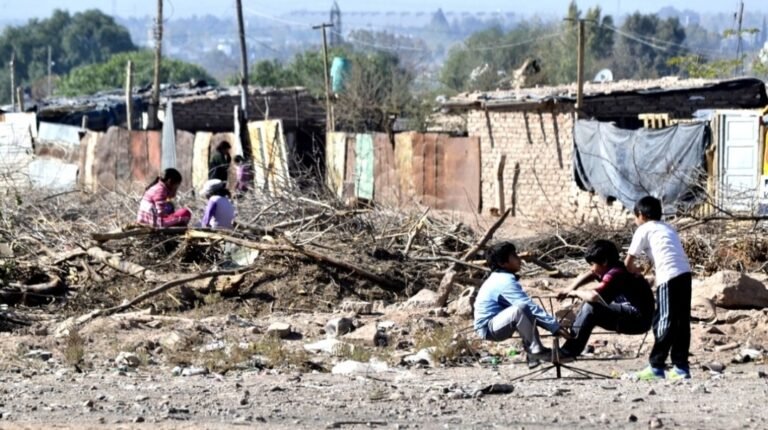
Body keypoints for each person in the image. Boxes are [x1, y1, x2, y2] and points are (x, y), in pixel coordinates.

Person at [625, 196, 693, 380]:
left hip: (668, 277)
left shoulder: (644, 229)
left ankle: (656, 366)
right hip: (685, 274)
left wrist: (636, 272)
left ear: (641, 215)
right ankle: (681, 368)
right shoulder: (668, 228)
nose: (635, 220)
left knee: (663, 320)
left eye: (635, 216)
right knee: (681, 322)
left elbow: (628, 263)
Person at [474, 241, 572, 365]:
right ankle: (535, 352)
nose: (519, 259)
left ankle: (532, 355)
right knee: (521, 308)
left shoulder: (500, 278)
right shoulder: (504, 281)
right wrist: (555, 327)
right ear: (502, 263)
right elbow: (528, 306)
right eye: (514, 256)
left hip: (497, 323)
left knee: (523, 311)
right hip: (488, 328)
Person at [556, 240, 654, 359]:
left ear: (604, 261)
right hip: (630, 315)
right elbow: (591, 274)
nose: (591, 268)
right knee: (589, 307)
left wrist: (575, 292)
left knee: (591, 307)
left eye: (592, 264)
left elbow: (593, 296)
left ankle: (569, 351)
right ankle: (571, 347)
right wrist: (570, 287)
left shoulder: (616, 274)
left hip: (638, 321)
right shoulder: (614, 267)